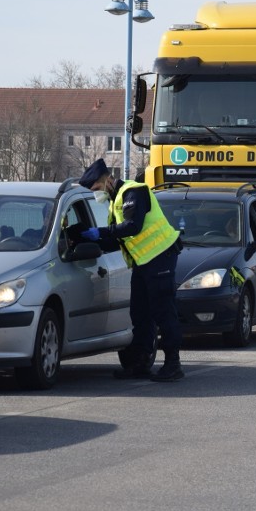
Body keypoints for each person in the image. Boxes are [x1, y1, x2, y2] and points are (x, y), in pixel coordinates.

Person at [78, 158, 185, 382]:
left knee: (163, 311)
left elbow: (132, 227)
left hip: (160, 258)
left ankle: (173, 364)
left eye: (96, 188)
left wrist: (102, 232)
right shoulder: (115, 201)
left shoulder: (133, 192)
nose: (96, 193)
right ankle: (141, 363)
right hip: (143, 262)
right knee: (140, 313)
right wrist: (87, 240)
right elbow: (120, 239)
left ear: (107, 179)